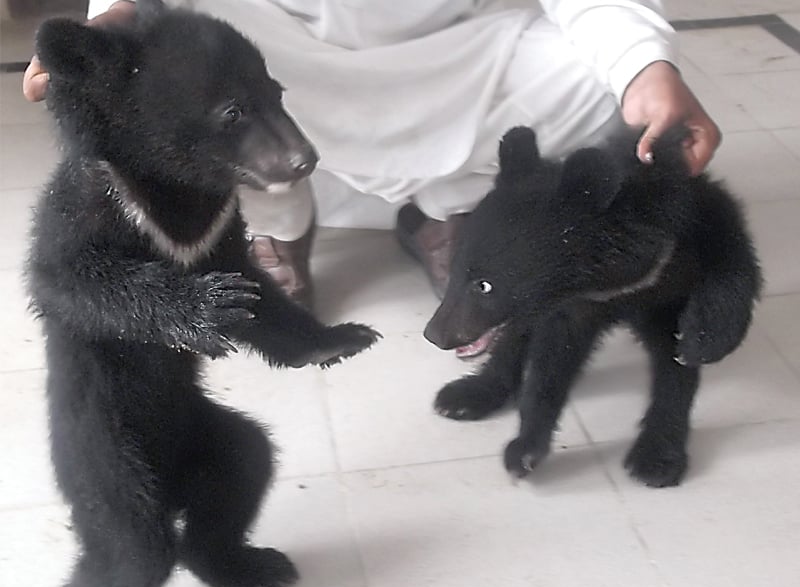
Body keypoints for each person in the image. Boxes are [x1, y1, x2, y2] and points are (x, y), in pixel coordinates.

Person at [24, 0, 721, 357]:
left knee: (599, 81)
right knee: (193, 48)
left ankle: (447, 209)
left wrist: (646, 71)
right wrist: (119, 27)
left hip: (453, 51)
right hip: (285, 59)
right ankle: (278, 225)